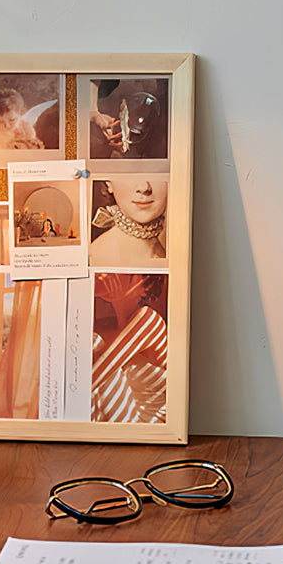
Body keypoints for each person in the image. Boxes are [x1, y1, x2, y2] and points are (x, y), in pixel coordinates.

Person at [91, 273, 168, 423]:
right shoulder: (109, 326)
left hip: (149, 425)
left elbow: (95, 376)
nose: (109, 276)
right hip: (125, 417)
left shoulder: (149, 320)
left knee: (94, 343)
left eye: (123, 274)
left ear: (145, 287)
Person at [89, 177, 168, 265]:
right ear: (109, 184)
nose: (144, 187)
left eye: (155, 174)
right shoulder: (102, 254)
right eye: (131, 173)